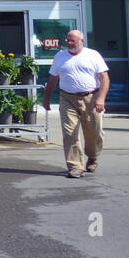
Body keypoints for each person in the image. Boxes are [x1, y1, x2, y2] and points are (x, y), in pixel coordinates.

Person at [42, 29, 109, 179]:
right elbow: (53, 79)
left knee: (94, 132)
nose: (69, 43)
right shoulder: (60, 56)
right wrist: (46, 98)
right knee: (69, 133)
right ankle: (75, 166)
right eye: (67, 40)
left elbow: (104, 78)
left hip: (91, 97)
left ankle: (92, 156)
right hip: (67, 98)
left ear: (81, 41)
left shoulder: (93, 55)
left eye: (72, 40)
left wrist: (101, 98)